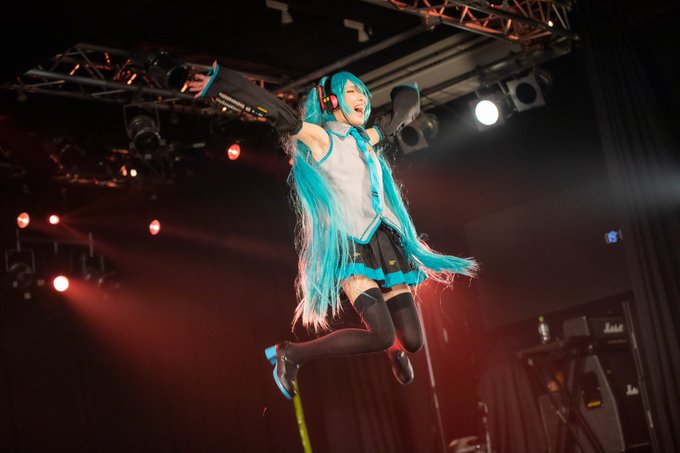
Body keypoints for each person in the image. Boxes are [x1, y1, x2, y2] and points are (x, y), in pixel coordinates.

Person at [188, 63, 478, 399]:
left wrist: (410, 94)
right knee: (382, 334)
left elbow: (397, 118)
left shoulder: (364, 138)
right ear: (332, 101)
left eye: (363, 93)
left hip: (385, 240)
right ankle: (291, 353)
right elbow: (276, 111)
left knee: (411, 341)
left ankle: (394, 351)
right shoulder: (320, 138)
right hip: (351, 246)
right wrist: (220, 84)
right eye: (352, 92)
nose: (362, 98)